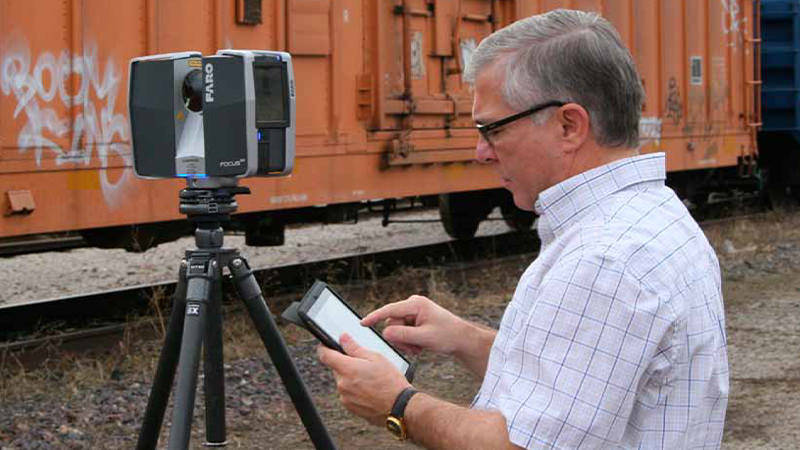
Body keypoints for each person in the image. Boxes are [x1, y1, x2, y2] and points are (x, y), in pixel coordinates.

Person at [318, 8, 729, 449]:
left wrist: (397, 405)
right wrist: (464, 339)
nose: (481, 152)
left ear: (569, 125)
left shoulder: (604, 261)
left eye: (492, 129)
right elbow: (580, 383)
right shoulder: (653, 216)